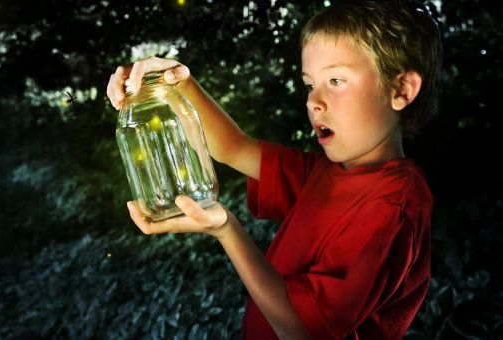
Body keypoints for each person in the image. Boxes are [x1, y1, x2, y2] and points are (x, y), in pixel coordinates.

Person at [106, 0, 442, 338]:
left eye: (337, 80)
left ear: (401, 90)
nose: (313, 100)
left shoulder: (393, 206)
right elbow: (234, 147)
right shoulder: (323, 173)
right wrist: (177, 82)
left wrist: (226, 230)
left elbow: (303, 332)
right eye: (310, 84)